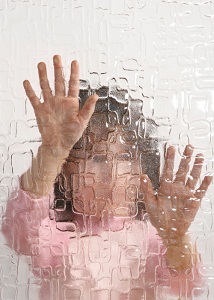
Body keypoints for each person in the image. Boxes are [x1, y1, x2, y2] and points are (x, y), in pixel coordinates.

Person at [2, 55, 213, 300]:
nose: (110, 170)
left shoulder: (153, 239)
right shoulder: (57, 237)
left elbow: (189, 287)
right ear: (65, 175)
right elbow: (18, 231)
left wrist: (176, 239)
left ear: (141, 175)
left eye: (124, 156)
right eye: (97, 157)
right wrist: (51, 154)